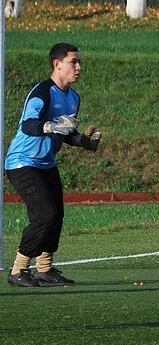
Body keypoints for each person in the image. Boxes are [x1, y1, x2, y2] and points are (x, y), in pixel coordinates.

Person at [5, 43, 102, 288]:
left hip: (46, 164)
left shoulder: (73, 97)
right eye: (73, 62)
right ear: (57, 64)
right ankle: (18, 270)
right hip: (22, 163)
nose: (78, 67)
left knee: (56, 216)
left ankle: (44, 269)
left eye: (79, 62)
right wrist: (49, 126)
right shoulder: (42, 92)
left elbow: (67, 133)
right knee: (44, 215)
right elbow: (29, 125)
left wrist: (83, 141)